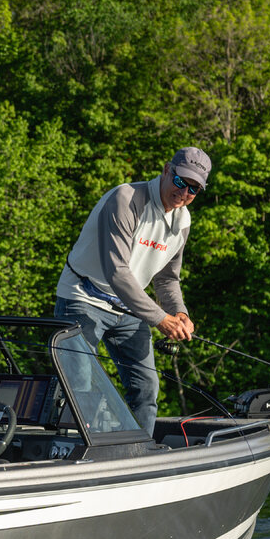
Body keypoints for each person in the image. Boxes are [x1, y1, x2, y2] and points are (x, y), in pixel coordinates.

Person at [53, 146, 210, 435]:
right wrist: (162, 319)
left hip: (129, 309)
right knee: (79, 385)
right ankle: (67, 455)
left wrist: (180, 313)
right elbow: (118, 273)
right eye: (180, 181)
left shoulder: (182, 220)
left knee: (146, 388)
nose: (184, 192)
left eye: (193, 189)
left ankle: (139, 455)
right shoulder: (126, 199)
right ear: (166, 170)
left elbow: (167, 279)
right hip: (83, 297)